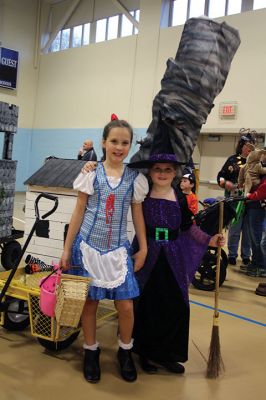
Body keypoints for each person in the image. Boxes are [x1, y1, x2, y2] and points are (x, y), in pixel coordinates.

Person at [127, 121, 225, 374]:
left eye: (167, 169)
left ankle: (167, 353)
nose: (162, 173)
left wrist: (210, 240)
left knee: (174, 304)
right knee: (146, 302)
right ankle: (145, 352)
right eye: (157, 168)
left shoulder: (179, 198)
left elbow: (187, 227)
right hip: (147, 254)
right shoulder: (143, 192)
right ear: (150, 171)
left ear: (175, 173)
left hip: (172, 257)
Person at [61, 117, 148, 384]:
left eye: (125, 142)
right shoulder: (90, 172)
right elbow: (78, 211)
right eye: (114, 141)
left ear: (130, 145)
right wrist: (66, 250)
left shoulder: (135, 178)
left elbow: (137, 214)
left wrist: (143, 247)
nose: (119, 147)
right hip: (87, 247)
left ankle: (125, 351)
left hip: (118, 251)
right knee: (90, 304)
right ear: (103, 142)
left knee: (126, 306)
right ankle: (91, 351)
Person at [217, 132, 255, 266]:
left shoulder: (255, 162)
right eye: (246, 145)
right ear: (241, 146)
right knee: (234, 228)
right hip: (235, 199)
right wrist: (224, 183)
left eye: (251, 145)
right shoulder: (232, 160)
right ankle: (232, 254)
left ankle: (246, 255)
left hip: (251, 201)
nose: (248, 148)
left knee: (248, 230)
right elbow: (221, 175)